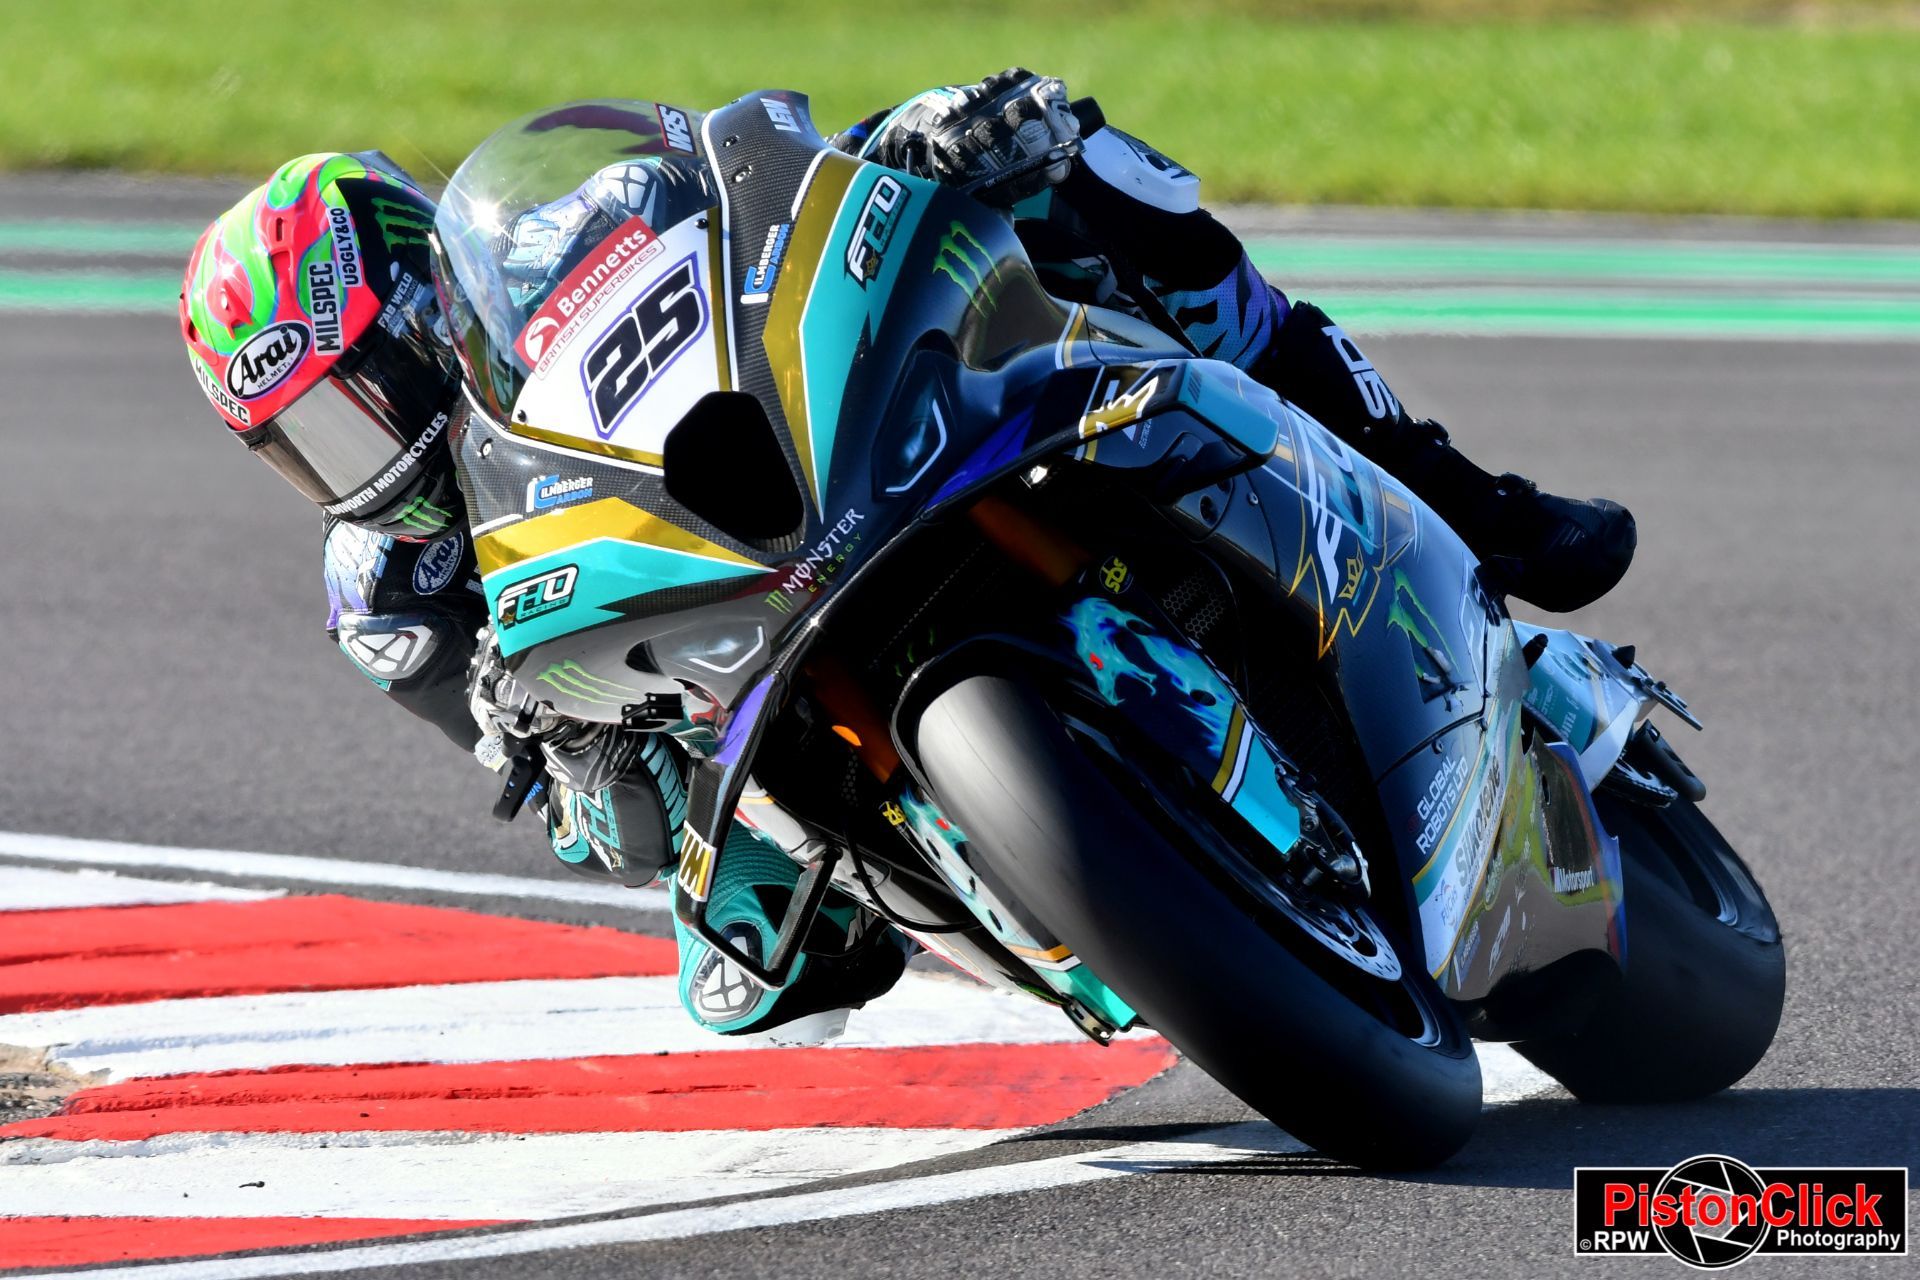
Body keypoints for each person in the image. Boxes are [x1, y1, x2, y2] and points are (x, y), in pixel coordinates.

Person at [179, 72, 1635, 1039]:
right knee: (739, 963)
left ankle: (1445, 490)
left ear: (427, 300)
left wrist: (909, 140)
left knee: (1074, 169)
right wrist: (555, 749)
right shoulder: (389, 592)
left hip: (816, 469)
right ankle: (1059, 882)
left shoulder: (570, 229)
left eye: (357, 392)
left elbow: (755, 203)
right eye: (302, 441)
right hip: (716, 683)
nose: (356, 457)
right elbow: (580, 819)